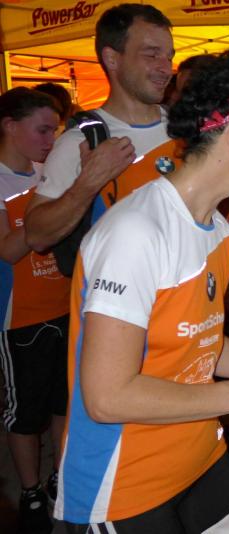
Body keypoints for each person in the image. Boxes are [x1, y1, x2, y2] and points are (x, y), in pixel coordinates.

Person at [56, 47, 229, 533]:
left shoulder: (217, 227)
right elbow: (106, 397)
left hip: (201, 456)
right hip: (127, 484)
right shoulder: (136, 233)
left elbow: (197, 343)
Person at [24, 4, 176, 262]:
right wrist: (88, 183)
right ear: (112, 58)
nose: (166, 68)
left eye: (169, 57)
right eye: (152, 55)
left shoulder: (186, 127)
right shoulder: (82, 141)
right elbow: (36, 236)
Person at [0, 87, 64, 534]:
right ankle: (30, 490)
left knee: (63, 401)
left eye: (54, 131)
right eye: (42, 130)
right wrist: (46, 211)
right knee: (24, 412)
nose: (50, 140)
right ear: (10, 126)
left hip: (63, 304)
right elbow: (7, 250)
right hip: (18, 317)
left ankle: (58, 476)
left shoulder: (46, 174)